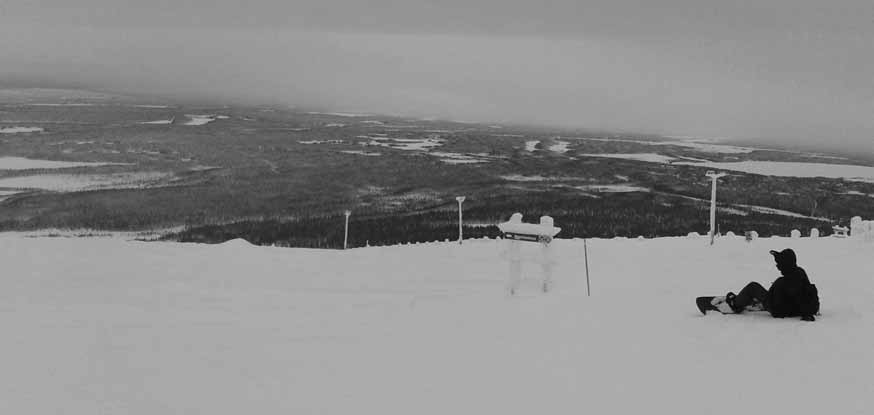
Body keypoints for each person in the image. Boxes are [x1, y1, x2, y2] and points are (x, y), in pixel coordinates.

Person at [724, 248, 819, 321]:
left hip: (779, 310)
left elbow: (776, 299)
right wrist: (807, 312)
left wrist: (766, 298)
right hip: (792, 308)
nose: (778, 266)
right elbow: (804, 294)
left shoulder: (783, 282)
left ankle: (735, 304)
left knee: (753, 287)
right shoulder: (800, 272)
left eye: (779, 264)